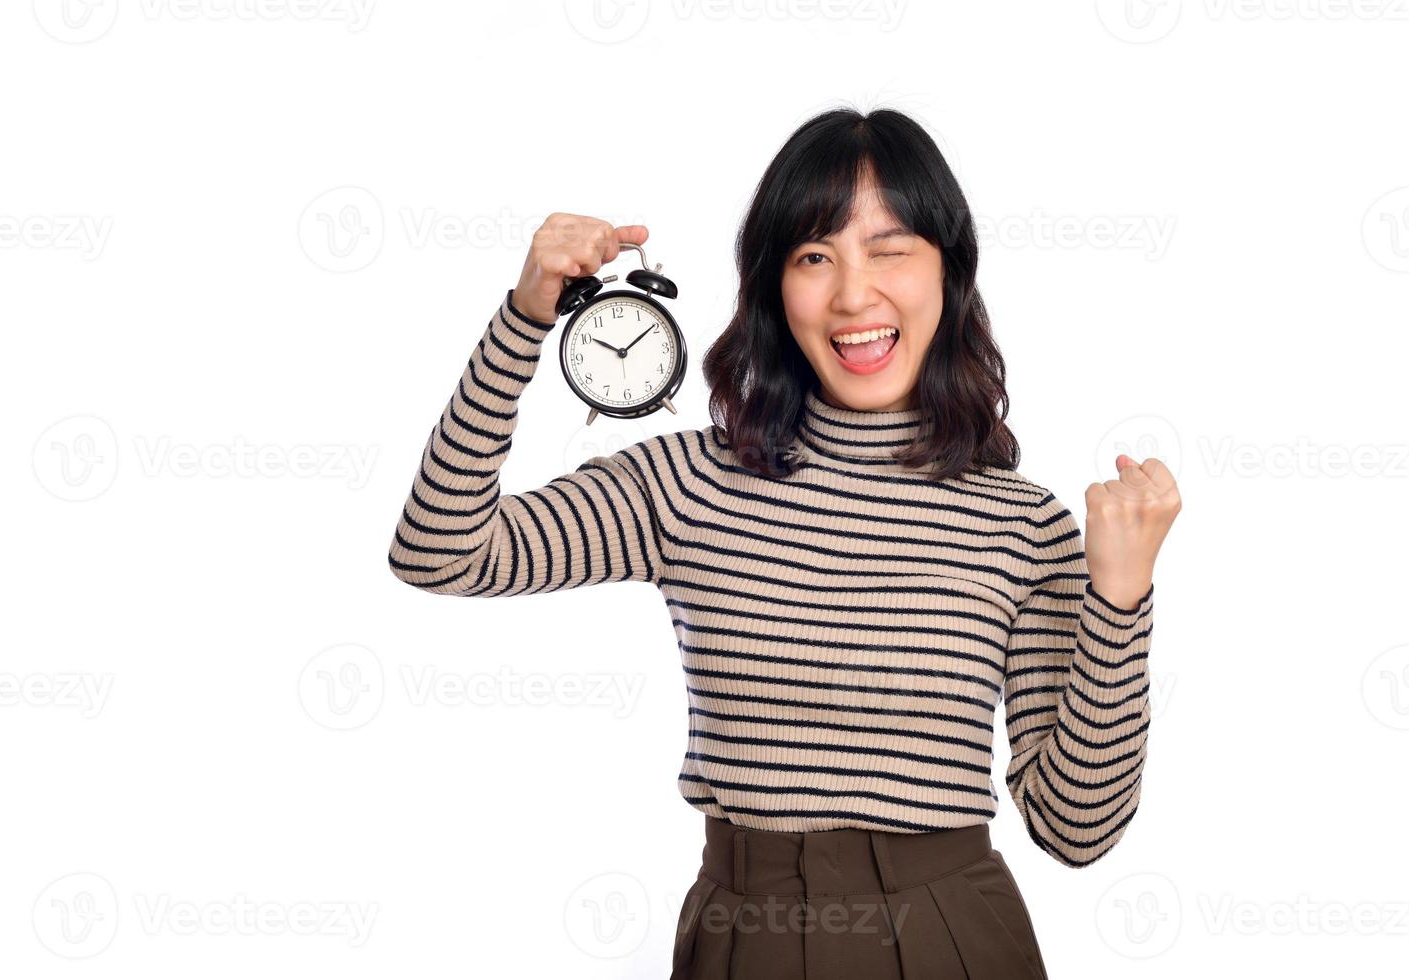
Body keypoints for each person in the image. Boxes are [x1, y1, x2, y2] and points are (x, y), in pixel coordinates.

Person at [386, 106, 1181, 979]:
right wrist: (524, 319)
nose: (851, 294)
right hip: (742, 936)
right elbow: (438, 550)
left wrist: (1118, 599)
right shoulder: (691, 482)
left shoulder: (1020, 524)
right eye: (813, 256)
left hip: (951, 934)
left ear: (948, 274)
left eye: (889, 248)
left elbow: (1075, 830)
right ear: (773, 287)